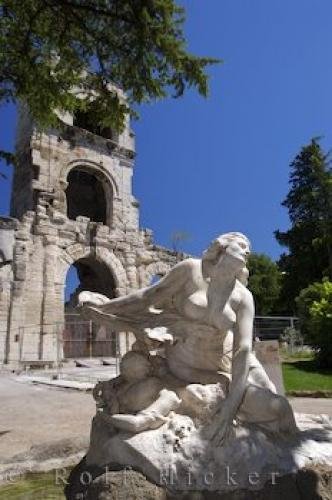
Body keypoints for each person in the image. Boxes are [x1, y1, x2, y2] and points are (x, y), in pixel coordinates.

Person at [79, 232, 298, 444]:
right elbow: (147, 297)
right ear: (222, 246)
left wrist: (230, 409)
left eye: (248, 248)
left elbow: (243, 348)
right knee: (256, 403)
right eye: (241, 245)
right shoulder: (191, 270)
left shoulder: (243, 296)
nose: (247, 250)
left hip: (229, 356)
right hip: (187, 361)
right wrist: (107, 306)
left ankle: (286, 441)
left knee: (278, 404)